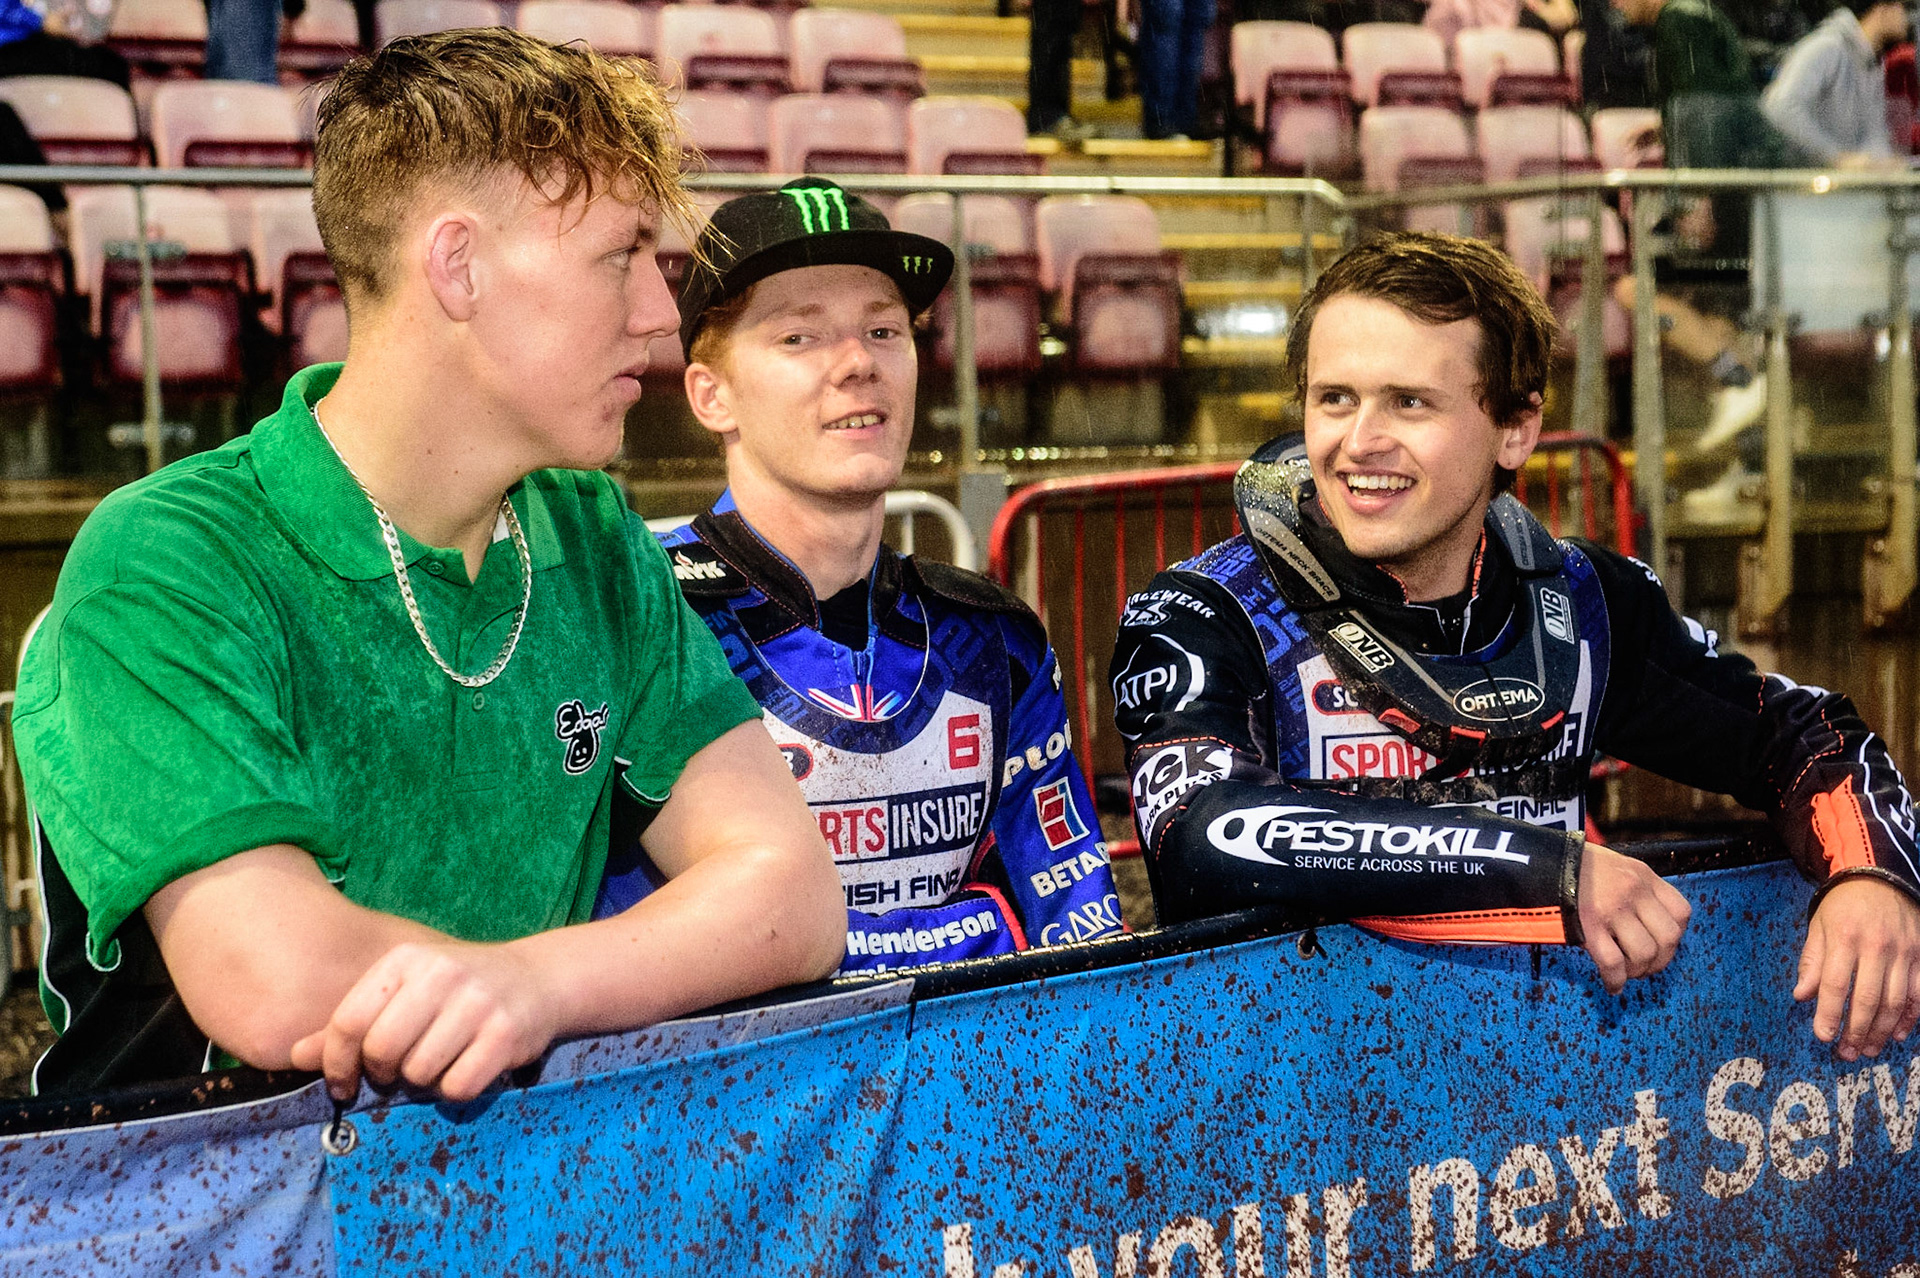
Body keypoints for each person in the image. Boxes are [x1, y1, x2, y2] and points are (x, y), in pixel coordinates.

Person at [12, 29, 846, 1100]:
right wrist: (542, 988)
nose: (658, 314)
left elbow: (791, 894)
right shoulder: (171, 558)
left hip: (486, 1206)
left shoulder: (588, 534)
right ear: (457, 267)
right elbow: (278, 982)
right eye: (620, 256)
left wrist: (538, 985)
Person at [1111, 232, 1920, 1062]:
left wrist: (1870, 874)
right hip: (1272, 1123)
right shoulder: (1205, 613)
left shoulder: (1585, 602)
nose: (1360, 442)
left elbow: (1800, 732)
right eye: (1335, 399)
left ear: (1517, 429)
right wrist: (1551, 870)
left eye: (1410, 403)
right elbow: (1207, 838)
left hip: (1529, 1115)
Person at [597, 178, 1125, 972]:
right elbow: (645, 959)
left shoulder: (992, 640)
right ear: (711, 397)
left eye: (883, 330)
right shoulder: (639, 624)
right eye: (799, 339)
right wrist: (978, 928)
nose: (856, 364)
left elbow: (1078, 940)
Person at [1761, 0, 1909, 166]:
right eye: (1903, 7)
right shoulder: (1826, 47)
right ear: (1882, 10)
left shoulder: (1873, 59)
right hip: (1805, 184)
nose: (1907, 18)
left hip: (1847, 186)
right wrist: (1836, 157)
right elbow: (1780, 106)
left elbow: (1873, 130)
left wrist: (1882, 163)